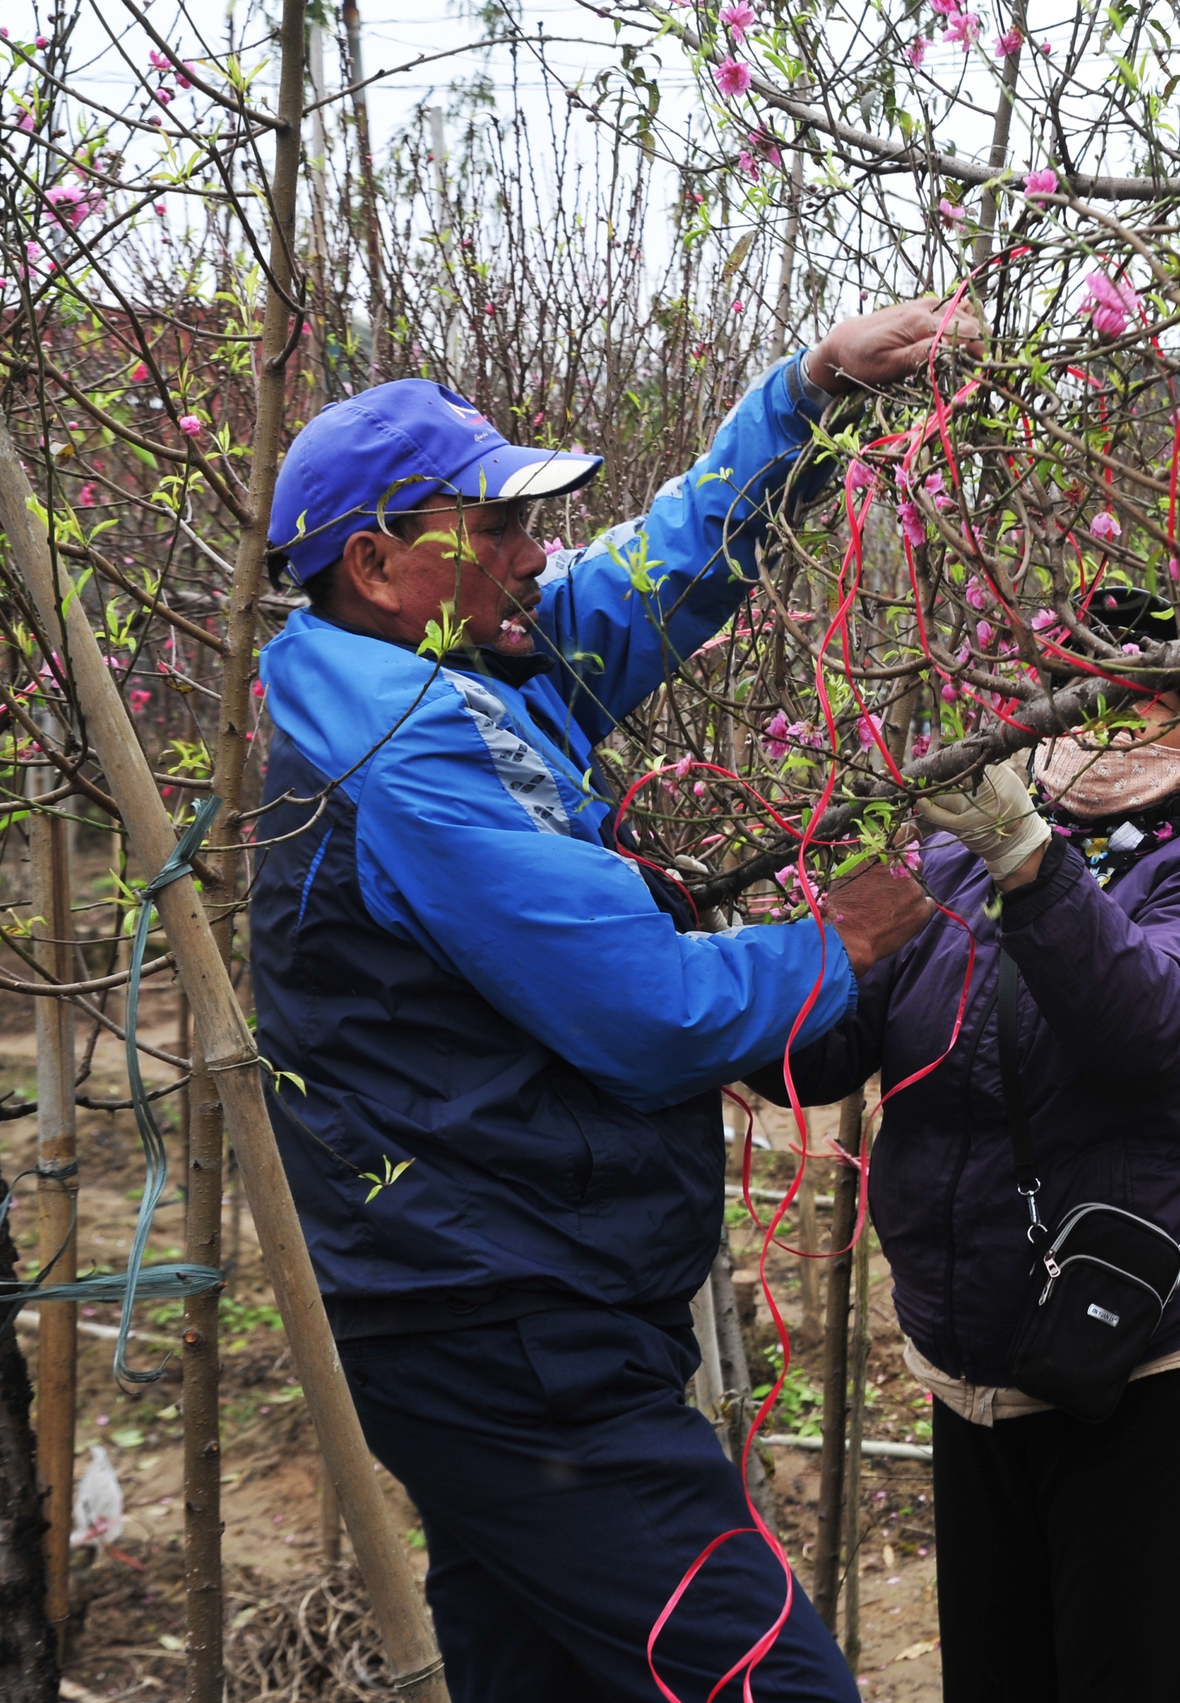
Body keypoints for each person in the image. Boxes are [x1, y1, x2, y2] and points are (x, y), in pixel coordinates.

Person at [246, 305, 956, 1703]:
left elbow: (659, 570)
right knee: (775, 1681)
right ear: (379, 562)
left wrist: (808, 396)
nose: (533, 557)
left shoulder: (452, 668)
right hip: (510, 1337)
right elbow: (637, 1006)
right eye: (492, 528)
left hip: (488, 1309)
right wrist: (835, 946)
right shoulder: (404, 751)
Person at [751, 591, 1180, 1703]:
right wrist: (739, 970)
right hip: (972, 1352)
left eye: (1145, 706)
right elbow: (827, 1048)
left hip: (1132, 1354)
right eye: (1085, 696)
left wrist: (1030, 858)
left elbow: (1151, 1029)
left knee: (1120, 1669)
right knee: (996, 1669)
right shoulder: (942, 870)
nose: (1105, 729)